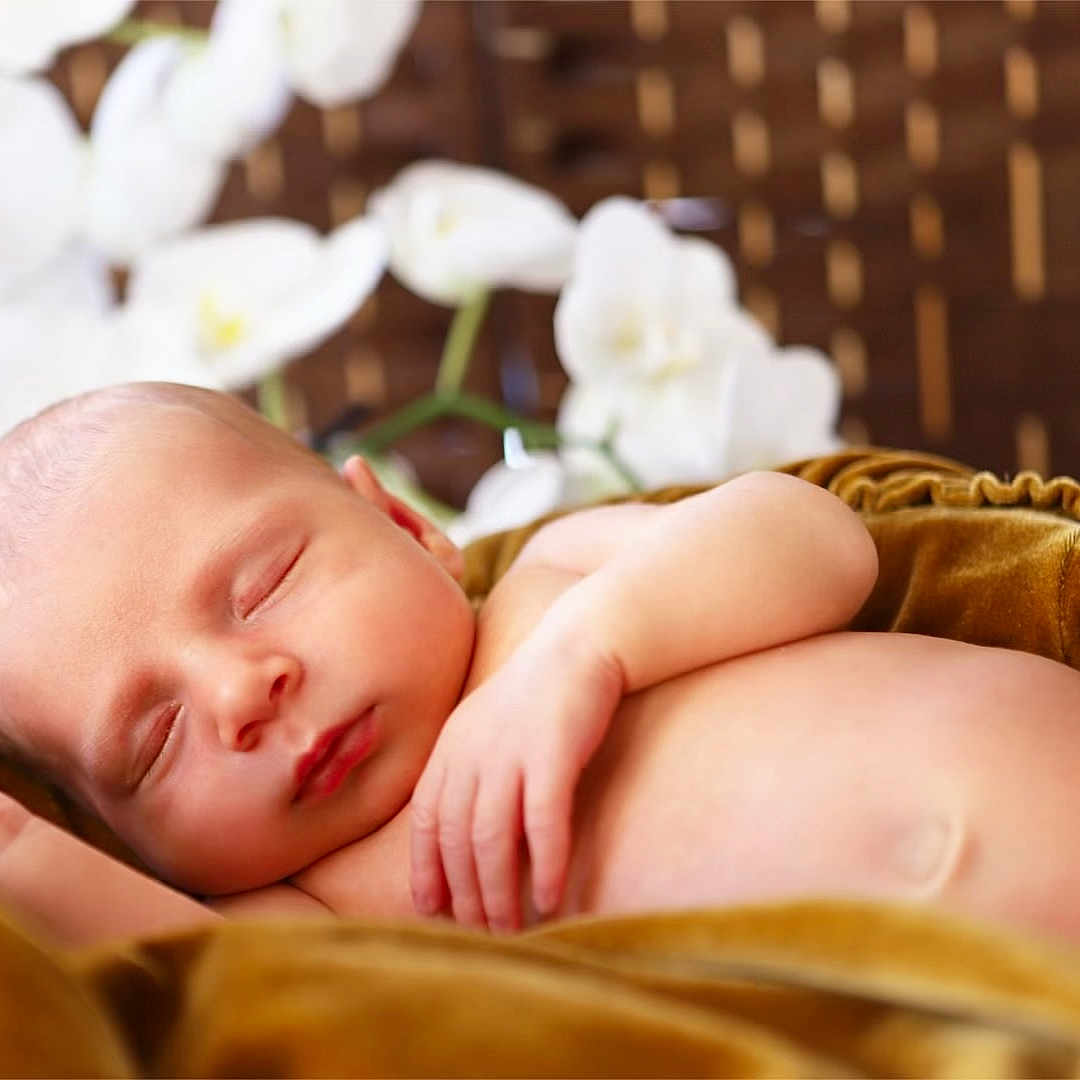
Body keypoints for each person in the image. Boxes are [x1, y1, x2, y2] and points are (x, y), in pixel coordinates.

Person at [2, 381, 1080, 949]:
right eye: (154, 743)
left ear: (402, 522)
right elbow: (214, 990)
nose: (240, 692)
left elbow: (820, 542)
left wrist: (591, 651)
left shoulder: (550, 593)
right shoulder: (315, 915)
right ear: (129, 841)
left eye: (263, 583)